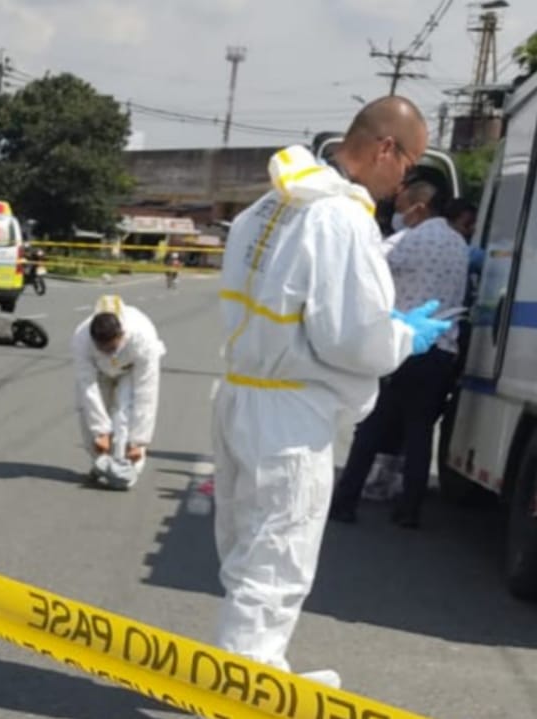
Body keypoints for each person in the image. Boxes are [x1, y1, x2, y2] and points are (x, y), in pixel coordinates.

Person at [211, 96, 452, 684]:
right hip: (290, 411)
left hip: (241, 393)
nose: (405, 182)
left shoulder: (273, 202)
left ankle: (238, 666)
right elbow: (350, 336)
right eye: (409, 163)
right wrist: (401, 336)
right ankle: (247, 683)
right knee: (279, 553)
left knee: (247, 545)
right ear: (384, 149)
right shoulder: (340, 218)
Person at [331, 181, 470, 528]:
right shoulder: (460, 245)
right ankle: (409, 511)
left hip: (402, 344)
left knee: (372, 427)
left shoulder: (406, 241)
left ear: (419, 209)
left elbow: (365, 273)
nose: (399, 215)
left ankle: (345, 503)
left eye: (403, 206)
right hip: (441, 350)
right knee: (420, 433)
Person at [72, 294, 166, 490]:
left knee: (124, 414)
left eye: (113, 347)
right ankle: (101, 463)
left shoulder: (142, 337)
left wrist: (139, 440)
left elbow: (147, 392)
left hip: (131, 370)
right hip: (100, 372)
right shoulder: (81, 338)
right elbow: (87, 385)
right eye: (103, 349)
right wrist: (100, 431)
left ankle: (128, 468)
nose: (110, 353)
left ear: (122, 334)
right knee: (87, 413)